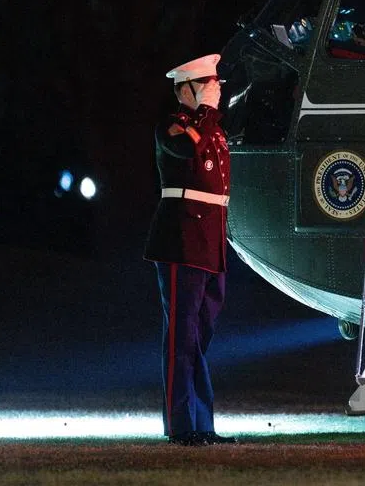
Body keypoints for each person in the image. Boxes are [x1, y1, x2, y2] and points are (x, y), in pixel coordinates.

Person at [144, 54, 236, 446]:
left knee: (200, 336)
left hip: (210, 241)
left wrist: (208, 115)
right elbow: (185, 150)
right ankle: (183, 425)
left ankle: (202, 424)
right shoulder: (174, 126)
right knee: (181, 336)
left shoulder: (211, 128)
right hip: (181, 239)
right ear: (185, 90)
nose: (213, 92)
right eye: (204, 86)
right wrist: (204, 112)